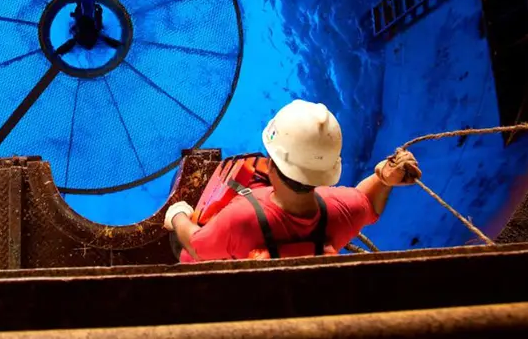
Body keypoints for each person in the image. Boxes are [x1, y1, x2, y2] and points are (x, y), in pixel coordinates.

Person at [164, 99, 421, 262]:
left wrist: (177, 215)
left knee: (182, 248)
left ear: (272, 166)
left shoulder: (240, 219)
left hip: (229, 268)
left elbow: (197, 246)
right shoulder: (341, 209)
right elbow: (367, 202)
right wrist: (384, 179)